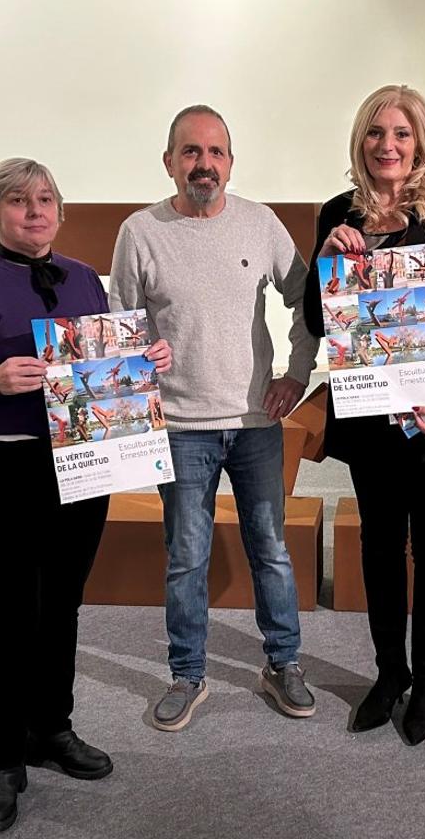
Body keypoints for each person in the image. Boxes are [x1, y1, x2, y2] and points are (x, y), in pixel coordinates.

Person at [0, 158, 172, 833]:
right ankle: (2, 761)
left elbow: (99, 369)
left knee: (60, 607)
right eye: (19, 201)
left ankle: (52, 730)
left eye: (46, 198)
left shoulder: (85, 278)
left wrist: (145, 361)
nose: (35, 210)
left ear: (61, 210)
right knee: (1, 619)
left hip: (76, 467)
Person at [301, 85, 425, 745]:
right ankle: (390, 673)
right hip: (366, 414)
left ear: (421, 141)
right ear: (360, 142)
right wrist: (328, 263)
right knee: (380, 544)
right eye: (375, 133)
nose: (387, 145)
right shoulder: (338, 213)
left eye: (401, 134)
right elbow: (317, 322)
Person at [110, 104, 320, 732]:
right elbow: (116, 329)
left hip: (257, 420)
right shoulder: (139, 232)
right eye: (191, 152)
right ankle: (187, 673)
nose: (204, 165)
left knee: (272, 551)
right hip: (179, 427)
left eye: (216, 152)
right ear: (170, 162)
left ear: (231, 161)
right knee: (186, 557)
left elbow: (306, 301)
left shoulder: (260, 225)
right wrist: (139, 361)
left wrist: (297, 374)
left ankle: (282, 663)